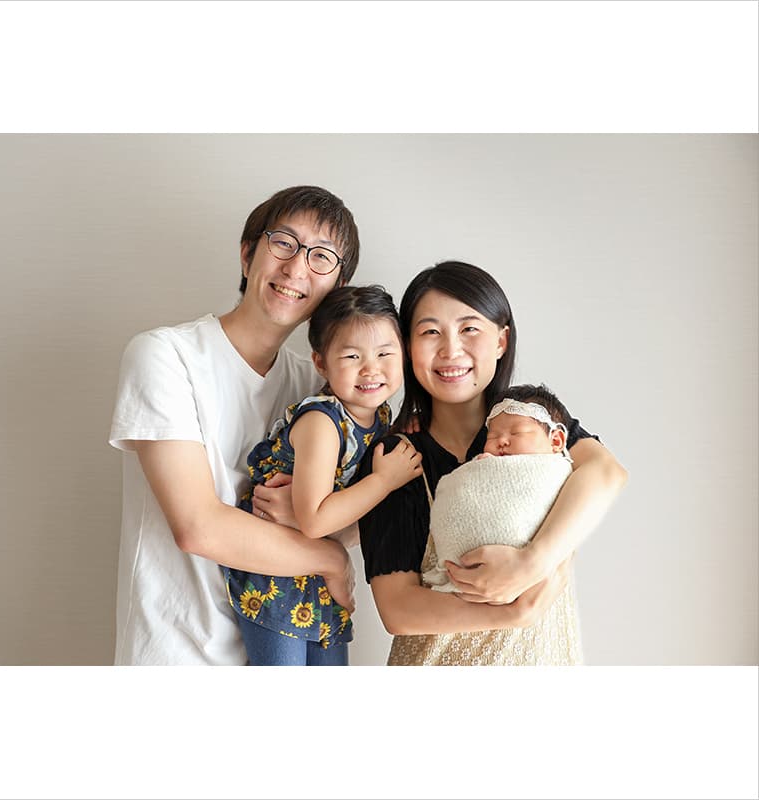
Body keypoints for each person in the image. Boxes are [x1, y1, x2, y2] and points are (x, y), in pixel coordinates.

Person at [108, 185, 364, 665]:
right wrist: (328, 556)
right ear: (248, 255)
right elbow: (198, 527)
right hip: (177, 657)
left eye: (321, 256)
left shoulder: (321, 388)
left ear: (337, 286)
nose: (296, 268)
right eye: (283, 243)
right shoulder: (165, 356)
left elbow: (355, 521)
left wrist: (314, 517)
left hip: (286, 648)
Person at [357, 261, 628, 666]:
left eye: (469, 328)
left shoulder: (533, 423)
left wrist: (531, 563)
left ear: (501, 341)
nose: (451, 350)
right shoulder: (394, 459)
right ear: (407, 347)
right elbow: (398, 610)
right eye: (430, 332)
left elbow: (606, 472)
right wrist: (513, 613)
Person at [222, 285, 423, 666]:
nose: (371, 369)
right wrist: (384, 481)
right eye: (352, 356)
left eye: (385, 353)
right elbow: (314, 520)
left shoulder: (378, 417)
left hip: (317, 577)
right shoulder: (322, 421)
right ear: (320, 363)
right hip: (276, 573)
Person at [421, 383, 584, 665]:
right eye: (493, 435)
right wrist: (480, 470)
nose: (501, 442)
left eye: (516, 433)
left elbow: (607, 473)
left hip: (537, 628)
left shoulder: (559, 470)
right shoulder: (481, 460)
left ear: (556, 440)